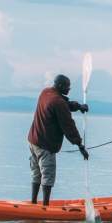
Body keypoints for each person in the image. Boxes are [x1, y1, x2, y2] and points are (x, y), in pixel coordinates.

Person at [27, 74, 90, 205]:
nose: (69, 89)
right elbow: (69, 127)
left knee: (36, 173)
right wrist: (80, 146)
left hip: (33, 140)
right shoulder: (58, 102)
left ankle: (33, 202)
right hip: (45, 145)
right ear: (60, 86)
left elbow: (64, 104)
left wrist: (78, 107)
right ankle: (45, 206)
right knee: (47, 176)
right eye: (68, 87)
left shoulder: (46, 92)